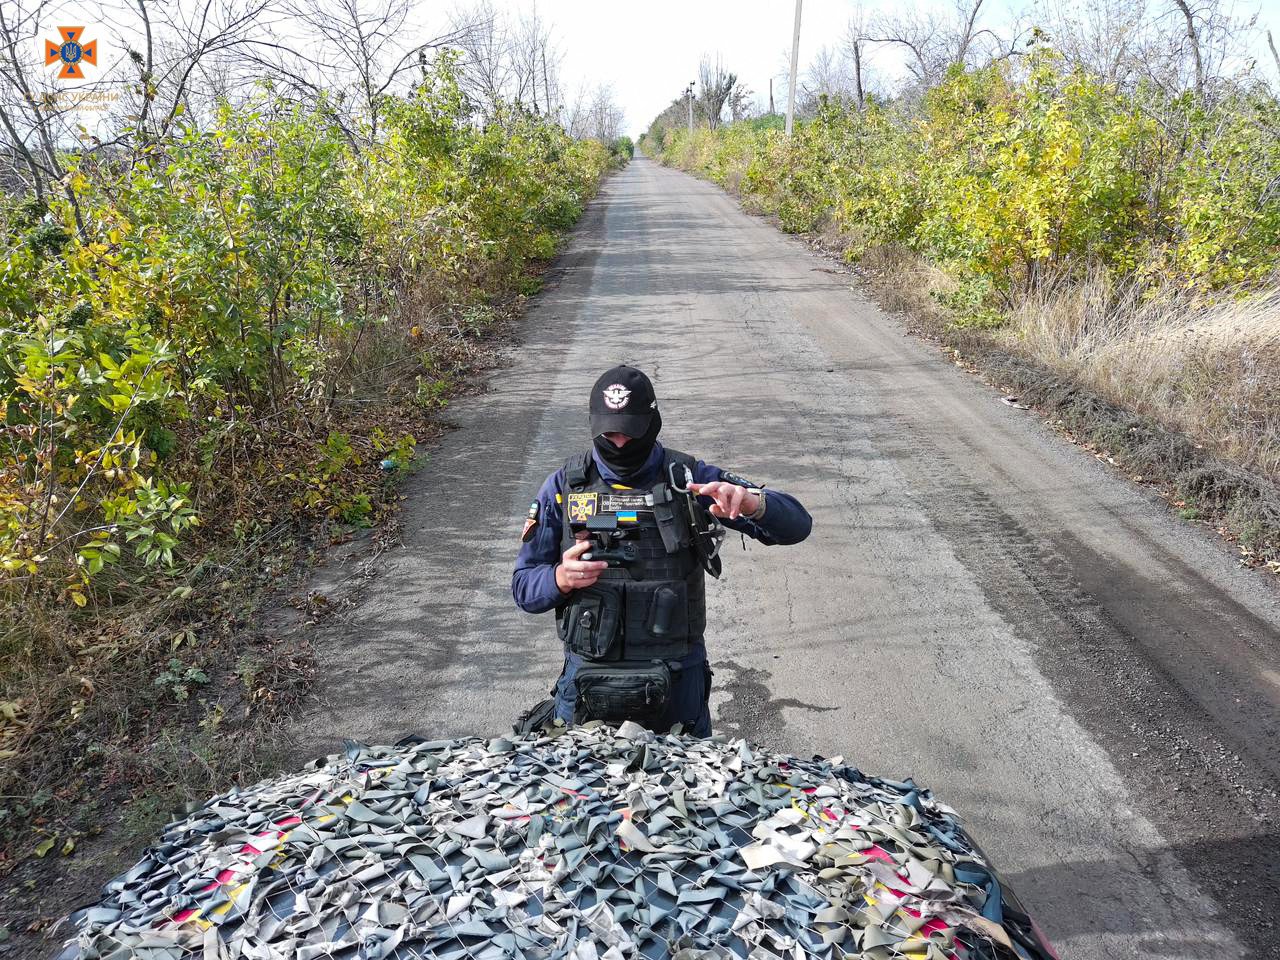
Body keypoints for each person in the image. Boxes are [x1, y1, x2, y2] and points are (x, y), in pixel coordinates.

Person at [511, 365, 812, 736]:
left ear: (653, 424)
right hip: (587, 681)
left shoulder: (688, 477)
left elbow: (798, 526)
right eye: (610, 432)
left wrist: (753, 505)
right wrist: (558, 578)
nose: (620, 443)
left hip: (677, 679)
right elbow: (524, 587)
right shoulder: (562, 486)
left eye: (631, 432)